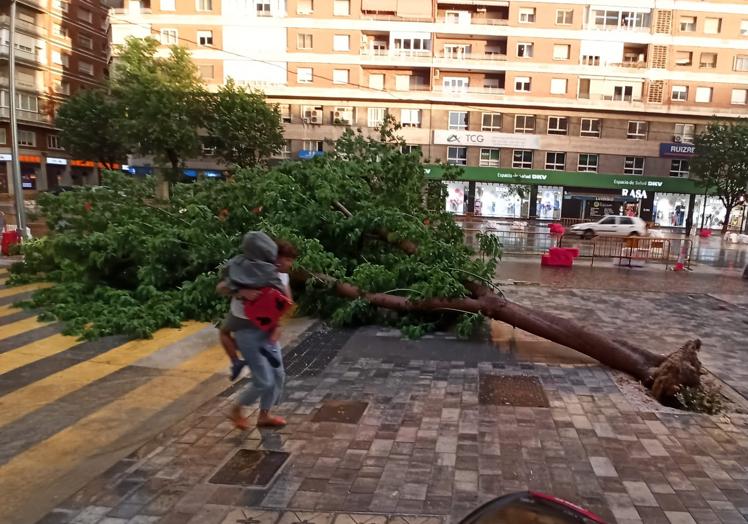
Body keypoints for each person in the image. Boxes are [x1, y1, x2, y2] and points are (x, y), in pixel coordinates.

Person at [216, 231, 291, 429]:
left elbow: (286, 301)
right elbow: (221, 287)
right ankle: (237, 410)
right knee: (264, 381)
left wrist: (279, 320)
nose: (287, 263)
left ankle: (264, 415)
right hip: (246, 329)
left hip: (267, 328)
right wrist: (242, 291)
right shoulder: (241, 266)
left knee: (278, 375)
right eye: (285, 259)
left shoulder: (277, 273)